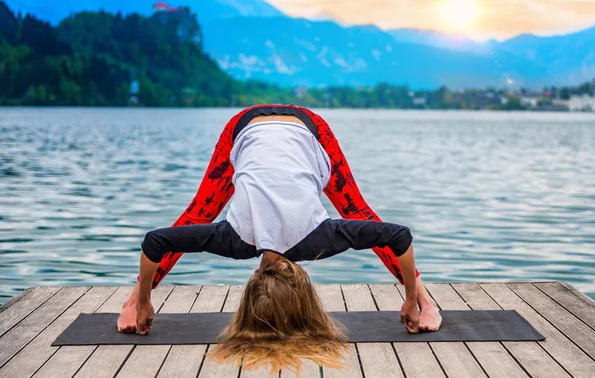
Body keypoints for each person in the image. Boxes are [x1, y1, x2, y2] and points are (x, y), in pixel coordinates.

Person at [117, 104, 442, 371]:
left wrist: (412, 298)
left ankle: (428, 304)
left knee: (358, 215)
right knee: (198, 217)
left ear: (300, 278)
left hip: (302, 127)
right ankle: (428, 303)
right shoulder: (237, 242)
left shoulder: (318, 241)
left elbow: (398, 237)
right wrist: (143, 299)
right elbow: (157, 242)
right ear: (256, 275)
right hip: (248, 127)